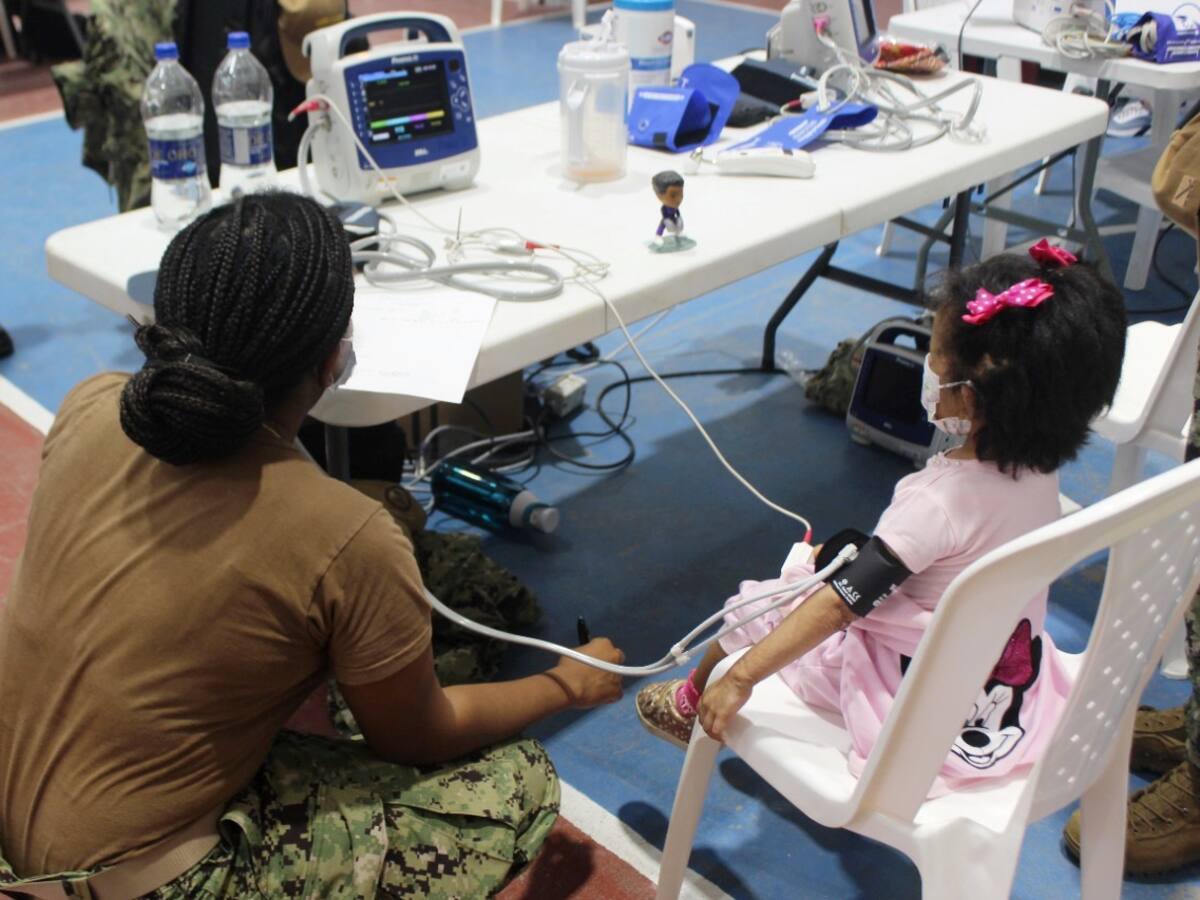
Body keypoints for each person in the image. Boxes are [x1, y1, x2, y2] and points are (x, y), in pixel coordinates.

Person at [0, 192, 624, 898]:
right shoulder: (346, 538)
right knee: (515, 784)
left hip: (14, 813)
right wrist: (566, 684)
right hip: (124, 884)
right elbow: (418, 737)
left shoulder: (92, 402)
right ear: (333, 358)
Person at [637, 241, 1128, 793]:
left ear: (972, 392)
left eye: (936, 356)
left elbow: (843, 600)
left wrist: (745, 677)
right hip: (992, 673)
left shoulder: (939, 500)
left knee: (766, 599)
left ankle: (693, 698)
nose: (929, 366)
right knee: (827, 561)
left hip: (904, 683)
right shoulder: (1042, 476)